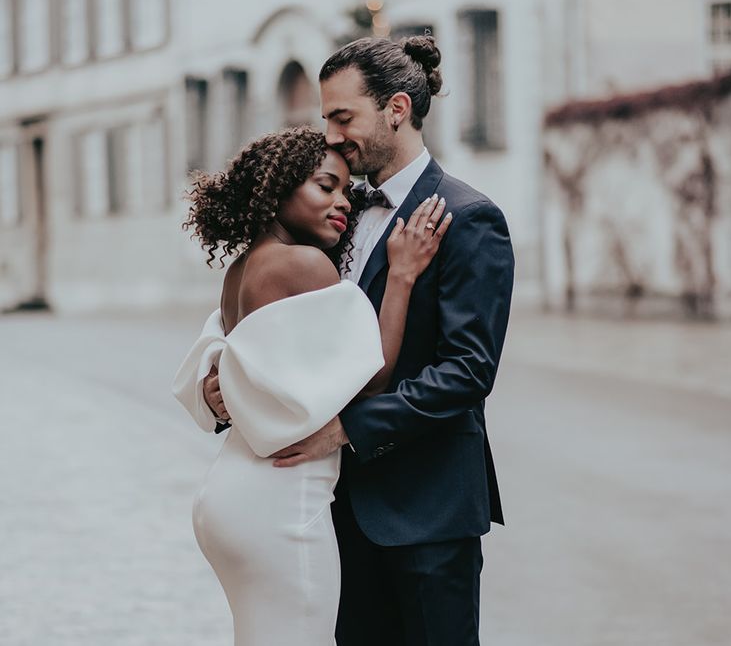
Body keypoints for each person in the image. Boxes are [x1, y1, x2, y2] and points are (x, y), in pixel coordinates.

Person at [238, 35, 516, 645]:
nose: (332, 136)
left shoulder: (468, 218)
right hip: (336, 510)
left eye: (343, 117)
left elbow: (468, 371)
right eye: (326, 119)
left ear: (395, 109)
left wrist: (347, 429)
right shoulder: (339, 214)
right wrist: (230, 375)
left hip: (428, 511)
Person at [172, 125, 451, 645]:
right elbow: (372, 374)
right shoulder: (301, 264)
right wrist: (403, 275)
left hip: (233, 492)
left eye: (346, 189)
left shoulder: (241, 269)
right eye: (326, 186)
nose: (342, 202)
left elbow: (233, 368)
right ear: (279, 190)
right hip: (282, 500)